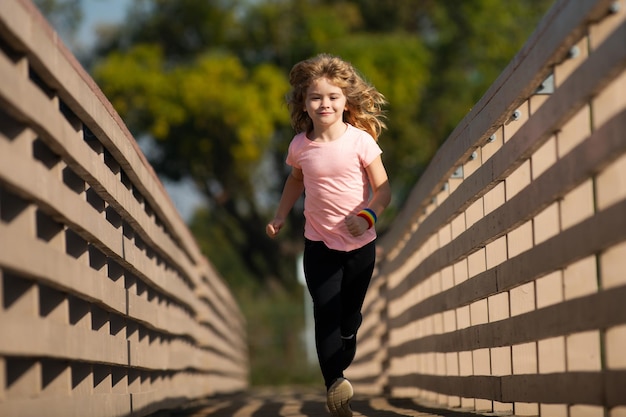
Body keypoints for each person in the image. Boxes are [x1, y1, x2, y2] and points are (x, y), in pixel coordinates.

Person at [266, 53, 391, 417]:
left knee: (348, 316)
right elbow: (295, 181)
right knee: (325, 310)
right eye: (316, 97)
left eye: (333, 97)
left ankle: (350, 334)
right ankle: (335, 385)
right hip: (318, 244)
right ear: (304, 103)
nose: (325, 104)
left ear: (345, 101)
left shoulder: (361, 142)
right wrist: (279, 215)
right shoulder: (300, 147)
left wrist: (368, 216)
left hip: (360, 246)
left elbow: (383, 190)